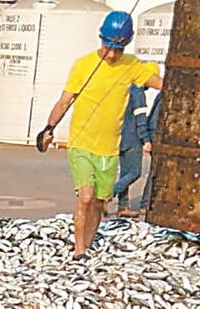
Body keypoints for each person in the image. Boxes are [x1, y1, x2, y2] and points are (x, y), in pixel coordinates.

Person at [36, 11, 162, 258]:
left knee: (98, 202)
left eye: (119, 49)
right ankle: (79, 250)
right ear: (101, 39)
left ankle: (88, 244)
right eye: (108, 47)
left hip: (108, 149)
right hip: (81, 143)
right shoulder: (83, 65)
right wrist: (48, 128)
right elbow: (64, 101)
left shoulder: (133, 66)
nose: (112, 54)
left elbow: (162, 84)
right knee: (86, 196)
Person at [112, 84, 151, 218]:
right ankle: (108, 195)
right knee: (135, 172)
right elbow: (140, 119)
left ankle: (122, 206)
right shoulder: (138, 93)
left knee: (124, 173)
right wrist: (145, 139)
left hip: (121, 136)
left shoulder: (125, 90)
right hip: (133, 137)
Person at [139, 91, 163, 218]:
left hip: (155, 134)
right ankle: (145, 202)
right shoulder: (165, 95)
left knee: (156, 170)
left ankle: (147, 202)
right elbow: (155, 119)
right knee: (156, 171)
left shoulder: (162, 94)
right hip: (158, 135)